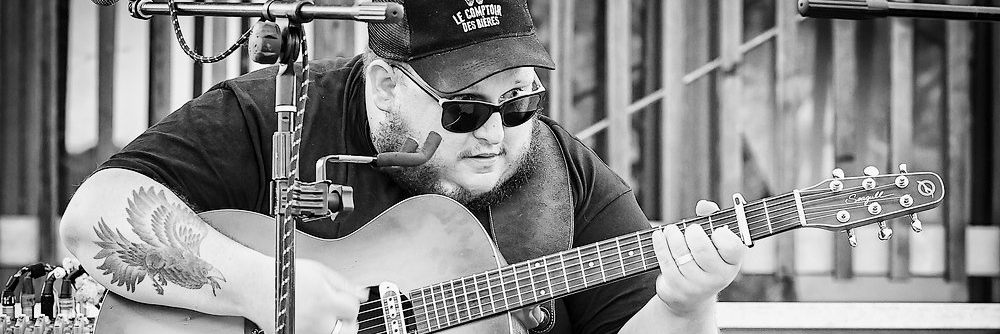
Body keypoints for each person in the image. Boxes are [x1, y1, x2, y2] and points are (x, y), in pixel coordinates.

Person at [59, 0, 747, 333]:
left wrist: (687, 305)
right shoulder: (273, 112)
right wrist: (261, 289)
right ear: (387, 85)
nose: (497, 134)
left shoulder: (562, 171)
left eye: (519, 102)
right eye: (461, 111)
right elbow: (91, 221)